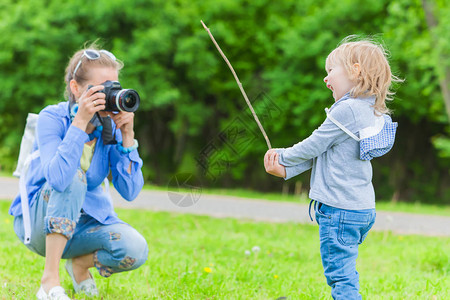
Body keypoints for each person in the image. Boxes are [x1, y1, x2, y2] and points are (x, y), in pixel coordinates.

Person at [264, 38, 401, 299]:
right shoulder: (369, 110)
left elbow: (313, 144)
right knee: (345, 269)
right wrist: (286, 170)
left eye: (331, 71)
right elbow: (324, 151)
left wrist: (282, 156)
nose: (326, 78)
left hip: (340, 210)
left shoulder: (347, 109)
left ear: (355, 71)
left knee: (341, 276)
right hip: (360, 209)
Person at [9, 42, 148, 299]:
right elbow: (59, 179)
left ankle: (80, 265)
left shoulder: (111, 126)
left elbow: (130, 191)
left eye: (114, 88)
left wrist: (127, 137)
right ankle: (49, 282)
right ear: (76, 88)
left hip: (84, 228)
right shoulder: (53, 117)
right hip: (41, 224)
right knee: (73, 176)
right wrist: (80, 122)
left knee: (135, 249)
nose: (109, 95)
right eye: (101, 89)